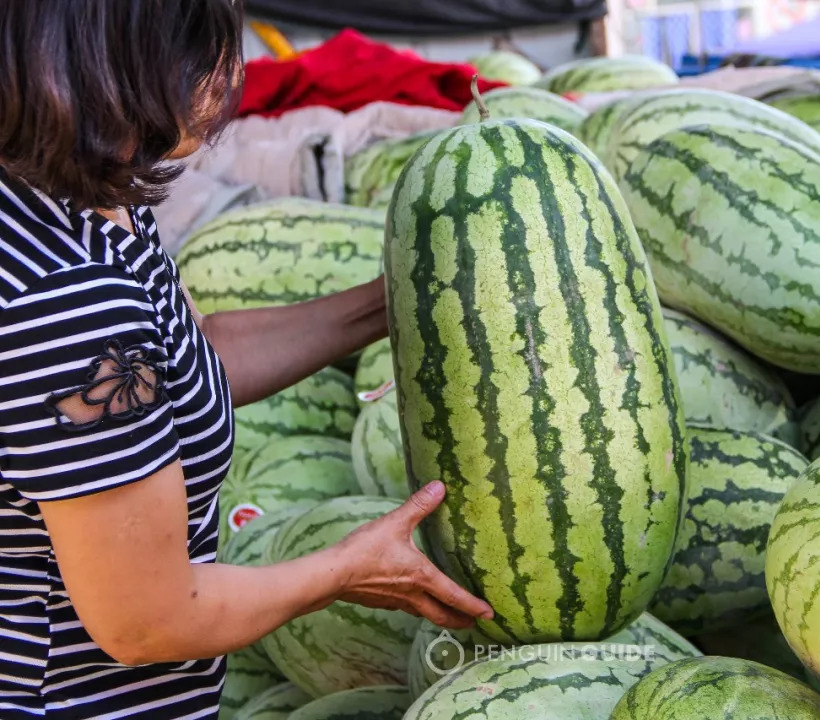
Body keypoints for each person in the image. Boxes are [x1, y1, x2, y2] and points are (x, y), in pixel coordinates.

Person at [0, 2, 493, 717]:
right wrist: (345, 570)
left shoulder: (77, 198)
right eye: (207, 50)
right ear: (116, 62)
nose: (232, 76)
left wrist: (401, 298)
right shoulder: (69, 300)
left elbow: (189, 366)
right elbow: (150, 619)